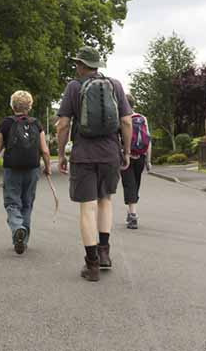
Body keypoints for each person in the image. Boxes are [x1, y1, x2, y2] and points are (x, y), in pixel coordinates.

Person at [56, 46, 132, 282]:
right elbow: (127, 122)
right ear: (97, 65)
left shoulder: (74, 87)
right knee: (105, 201)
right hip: (110, 153)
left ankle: (92, 265)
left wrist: (61, 154)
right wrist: (126, 152)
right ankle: (105, 253)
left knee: (87, 208)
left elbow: (62, 125)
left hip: (84, 155)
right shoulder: (115, 85)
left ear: (80, 65)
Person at [0, 91, 51, 255]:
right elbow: (44, 149)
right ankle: (24, 238)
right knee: (27, 203)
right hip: (32, 169)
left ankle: (17, 228)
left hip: (12, 169)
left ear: (12, 105)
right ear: (29, 106)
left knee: (12, 203)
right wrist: (48, 167)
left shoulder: (6, 123)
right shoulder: (37, 124)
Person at [120, 94, 151, 230]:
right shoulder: (142, 118)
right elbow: (148, 140)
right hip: (141, 156)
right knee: (135, 184)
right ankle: (130, 211)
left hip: (125, 156)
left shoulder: (121, 119)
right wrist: (148, 160)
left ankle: (132, 215)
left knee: (129, 184)